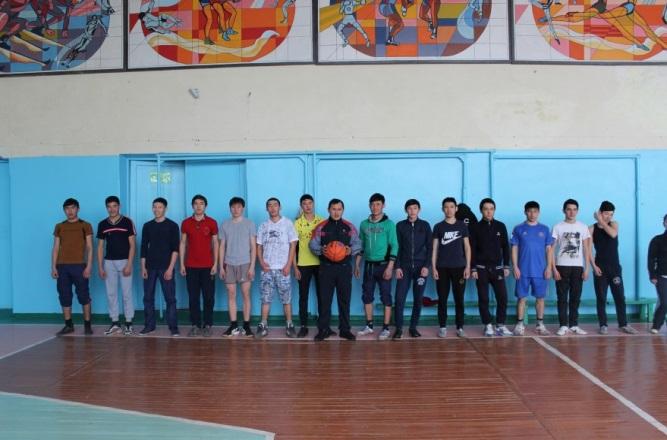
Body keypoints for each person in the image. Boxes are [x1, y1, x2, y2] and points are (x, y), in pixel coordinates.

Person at [309, 198, 362, 341]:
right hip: (326, 269)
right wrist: (321, 249)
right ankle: (323, 329)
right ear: (328, 210)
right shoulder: (321, 227)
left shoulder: (349, 227)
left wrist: (351, 250)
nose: (336, 212)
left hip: (344, 269)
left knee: (344, 300)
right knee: (324, 300)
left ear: (343, 210)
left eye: (339, 209)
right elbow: (312, 245)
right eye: (333, 209)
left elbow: (358, 243)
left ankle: (345, 329)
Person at [355, 193, 398, 340]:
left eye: (378, 204)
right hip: (369, 266)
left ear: (383, 205)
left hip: (384, 265)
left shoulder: (389, 224)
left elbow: (394, 246)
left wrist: (390, 267)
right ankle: (369, 326)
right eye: (372, 204)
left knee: (386, 296)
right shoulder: (364, 224)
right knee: (367, 296)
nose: (375, 207)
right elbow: (360, 246)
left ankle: (386, 328)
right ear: (369, 206)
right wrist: (357, 265)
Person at [590, 201, 637, 335]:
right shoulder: (591, 229)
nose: (609, 217)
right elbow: (588, 250)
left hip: (615, 267)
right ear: (600, 212)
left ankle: (623, 324)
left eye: (611, 214)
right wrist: (593, 266)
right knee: (601, 297)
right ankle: (603, 324)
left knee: (620, 296)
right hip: (600, 268)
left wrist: (601, 220)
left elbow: (613, 234)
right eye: (606, 214)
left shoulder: (614, 224)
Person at [256, 197, 298, 338]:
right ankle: (263, 324)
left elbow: (293, 245)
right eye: (270, 205)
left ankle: (289, 324)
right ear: (266, 208)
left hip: (283, 268)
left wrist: (288, 265)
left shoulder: (287, 223)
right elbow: (259, 246)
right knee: (265, 298)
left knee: (286, 299)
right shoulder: (263, 226)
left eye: (275, 205)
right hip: (267, 269)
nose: (273, 208)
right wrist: (262, 262)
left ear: (280, 207)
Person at [470, 198, 512, 337]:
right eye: (486, 209)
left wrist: (506, 265)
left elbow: (505, 247)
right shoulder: (475, 227)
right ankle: (487, 325)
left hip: (497, 268)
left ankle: (500, 325)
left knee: (502, 298)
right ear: (481, 210)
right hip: (481, 269)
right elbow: (472, 249)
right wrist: (473, 268)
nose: (489, 212)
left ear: (494, 210)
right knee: (484, 298)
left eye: (491, 209)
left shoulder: (500, 226)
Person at [51, 198, 94, 336]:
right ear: (64, 210)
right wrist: (53, 267)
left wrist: (88, 266)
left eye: (73, 208)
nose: (70, 211)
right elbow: (56, 248)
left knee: (84, 295)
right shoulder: (59, 226)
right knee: (64, 295)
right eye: (67, 208)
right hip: (62, 266)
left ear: (78, 209)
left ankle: (87, 325)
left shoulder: (85, 225)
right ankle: (68, 325)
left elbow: (90, 247)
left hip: (79, 266)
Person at [510, 201, 553, 336]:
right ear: (525, 212)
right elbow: (514, 248)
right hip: (523, 271)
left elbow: (549, 250)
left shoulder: (544, 229)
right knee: (521, 298)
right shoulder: (518, 229)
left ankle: (540, 325)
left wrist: (549, 267)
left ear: (538, 212)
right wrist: (515, 266)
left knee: (540, 298)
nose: (532, 214)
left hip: (540, 271)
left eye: (535, 211)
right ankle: (519, 325)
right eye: (529, 211)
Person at [139, 197, 180, 337]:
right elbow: (143, 247)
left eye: (160, 207)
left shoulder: (173, 226)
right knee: (148, 298)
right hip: (150, 267)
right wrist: (143, 267)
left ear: (165, 209)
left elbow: (175, 249)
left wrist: (170, 268)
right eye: (154, 207)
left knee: (170, 298)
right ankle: (149, 326)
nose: (157, 209)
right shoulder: (147, 226)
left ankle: (173, 327)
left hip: (166, 267)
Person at [431, 197, 471, 338]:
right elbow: (434, 249)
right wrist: (434, 268)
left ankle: (460, 327)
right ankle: (442, 327)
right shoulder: (438, 227)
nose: (449, 209)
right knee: (442, 299)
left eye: (452, 207)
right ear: (443, 209)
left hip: (459, 268)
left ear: (456, 209)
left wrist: (468, 266)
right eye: (446, 207)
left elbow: (467, 247)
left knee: (459, 299)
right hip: (442, 268)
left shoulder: (462, 226)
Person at [180, 194, 219, 337]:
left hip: (208, 266)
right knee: (193, 297)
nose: (198, 206)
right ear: (192, 206)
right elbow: (183, 243)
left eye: (201, 203)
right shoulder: (186, 223)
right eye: (196, 203)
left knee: (209, 297)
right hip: (191, 266)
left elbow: (216, 243)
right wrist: (182, 264)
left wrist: (215, 264)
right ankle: (195, 325)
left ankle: (208, 324)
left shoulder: (212, 222)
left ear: (205, 206)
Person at [97, 196, 136, 336]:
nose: (112, 209)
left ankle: (129, 323)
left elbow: (133, 245)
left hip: (125, 261)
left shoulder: (127, 222)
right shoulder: (102, 224)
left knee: (126, 293)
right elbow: (100, 247)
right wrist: (100, 266)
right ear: (106, 208)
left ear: (119, 206)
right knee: (111, 293)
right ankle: (115, 322)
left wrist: (129, 264)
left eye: (114, 206)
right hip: (109, 263)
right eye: (109, 206)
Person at [552, 198, 592, 336]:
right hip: (561, 266)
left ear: (577, 211)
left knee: (575, 297)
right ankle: (563, 325)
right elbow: (551, 249)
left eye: (574, 209)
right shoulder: (558, 227)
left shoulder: (583, 227)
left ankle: (574, 325)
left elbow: (586, 249)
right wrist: (554, 268)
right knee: (562, 298)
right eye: (569, 209)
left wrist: (587, 268)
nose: (571, 212)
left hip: (577, 267)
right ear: (564, 211)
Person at [394, 199, 432, 339]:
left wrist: (426, 266)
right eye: (409, 208)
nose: (412, 211)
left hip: (420, 268)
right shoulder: (400, 226)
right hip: (404, 267)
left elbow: (430, 247)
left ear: (419, 210)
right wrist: (397, 267)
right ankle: (398, 328)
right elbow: (396, 247)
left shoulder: (425, 225)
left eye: (415, 208)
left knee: (418, 298)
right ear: (406, 210)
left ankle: (413, 327)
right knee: (399, 299)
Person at [219, 196, 256, 337]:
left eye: (239, 207)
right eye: (233, 207)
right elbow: (222, 247)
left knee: (246, 294)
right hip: (229, 263)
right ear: (230, 208)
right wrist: (221, 266)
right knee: (231, 294)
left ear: (243, 208)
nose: (236, 209)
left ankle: (246, 326)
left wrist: (252, 266)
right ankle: (233, 325)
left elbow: (253, 247)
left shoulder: (249, 223)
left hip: (245, 263)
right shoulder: (225, 224)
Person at [293, 194, 324, 338]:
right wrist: (295, 267)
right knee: (303, 296)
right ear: (301, 206)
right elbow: (293, 247)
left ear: (313, 204)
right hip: (303, 264)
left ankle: (323, 325)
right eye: (304, 203)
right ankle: (303, 326)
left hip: (320, 264)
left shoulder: (322, 221)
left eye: (310, 203)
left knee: (322, 295)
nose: (308, 206)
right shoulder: (297, 223)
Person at [648, 214, 667, 334]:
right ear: (664, 223)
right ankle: (656, 325)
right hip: (661, 276)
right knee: (664, 302)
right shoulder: (657, 240)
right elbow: (651, 259)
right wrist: (653, 275)